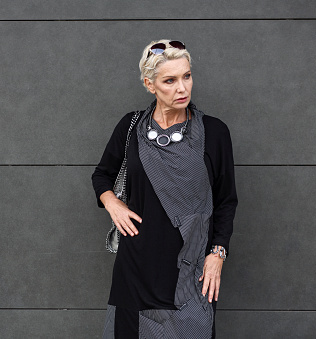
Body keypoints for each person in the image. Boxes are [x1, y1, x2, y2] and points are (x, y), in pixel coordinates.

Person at [92, 39, 238, 338]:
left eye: (186, 76)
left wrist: (217, 254)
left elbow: (226, 201)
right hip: (135, 268)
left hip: (190, 268)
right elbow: (101, 175)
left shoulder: (214, 132)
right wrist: (113, 203)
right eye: (170, 80)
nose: (182, 88)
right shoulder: (130, 127)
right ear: (150, 85)